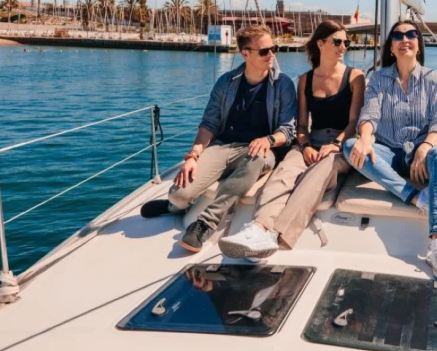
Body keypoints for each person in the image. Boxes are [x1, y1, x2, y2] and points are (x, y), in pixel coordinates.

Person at [140, 25, 296, 254]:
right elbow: (209, 124)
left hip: (260, 149)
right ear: (245, 53)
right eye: (264, 51)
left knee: (256, 159)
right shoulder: (227, 82)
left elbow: (288, 129)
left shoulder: (283, 84)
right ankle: (175, 207)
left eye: (274, 48)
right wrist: (193, 155)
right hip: (223, 145)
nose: (271, 54)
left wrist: (269, 140)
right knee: (180, 194)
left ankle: (205, 223)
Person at [219, 21, 365, 258]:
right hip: (311, 140)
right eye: (337, 41)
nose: (343, 47)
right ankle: (259, 228)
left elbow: (354, 123)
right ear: (320, 43)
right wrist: (305, 145)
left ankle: (278, 234)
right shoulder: (305, 80)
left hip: (342, 144)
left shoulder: (355, 77)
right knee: (284, 172)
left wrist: (335, 144)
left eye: (346, 42)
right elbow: (302, 125)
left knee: (319, 173)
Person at [343, 20, 437, 282]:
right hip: (389, 152)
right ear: (391, 47)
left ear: (418, 43)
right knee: (350, 147)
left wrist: (425, 146)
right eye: (397, 35)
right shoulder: (379, 79)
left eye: (410, 34)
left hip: (422, 154)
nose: (404, 38)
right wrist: (364, 137)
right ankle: (417, 198)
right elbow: (370, 115)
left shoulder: (436, 80)